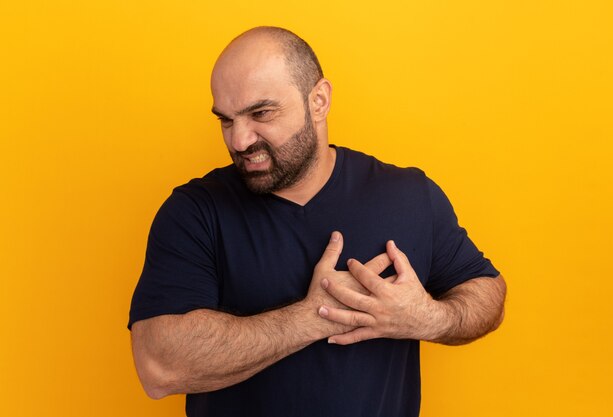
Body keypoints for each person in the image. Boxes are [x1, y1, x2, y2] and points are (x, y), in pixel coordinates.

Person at [128, 26, 506, 417]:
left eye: (261, 113)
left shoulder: (409, 195)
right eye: (226, 120)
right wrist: (311, 317)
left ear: (319, 101)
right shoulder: (194, 212)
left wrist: (428, 318)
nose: (239, 141)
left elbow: (488, 293)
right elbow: (158, 367)